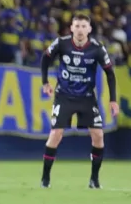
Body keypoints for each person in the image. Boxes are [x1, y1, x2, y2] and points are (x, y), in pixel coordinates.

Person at [40, 14, 118, 189]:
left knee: (98, 136)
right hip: (64, 96)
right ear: (71, 28)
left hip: (87, 98)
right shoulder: (61, 43)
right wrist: (45, 82)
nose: (80, 29)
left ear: (89, 29)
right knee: (55, 135)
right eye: (77, 26)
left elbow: (110, 73)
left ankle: (94, 179)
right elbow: (45, 58)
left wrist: (113, 100)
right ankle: (45, 178)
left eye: (84, 26)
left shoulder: (97, 48)